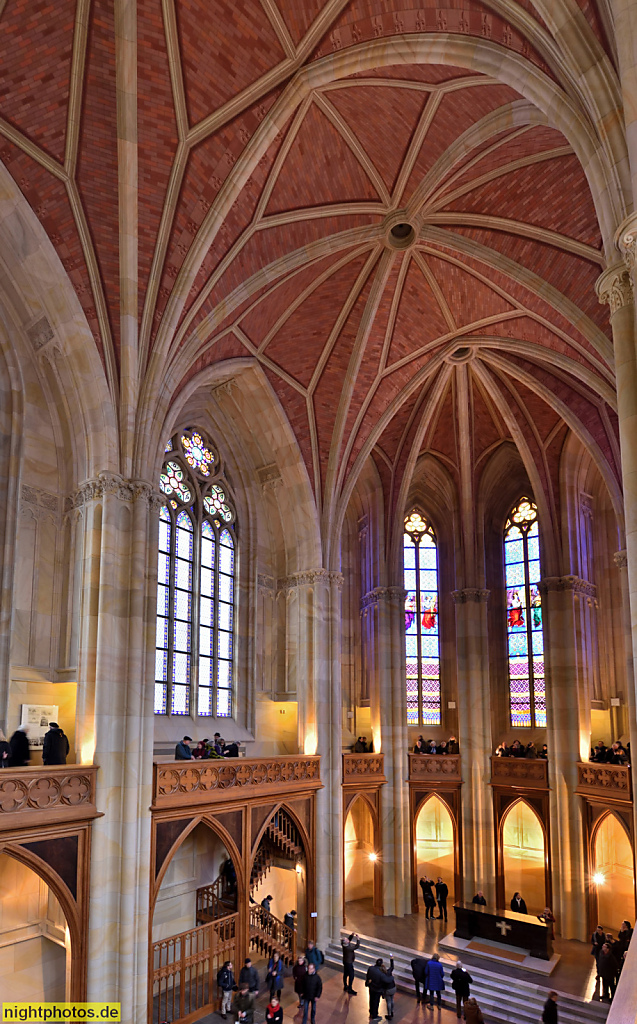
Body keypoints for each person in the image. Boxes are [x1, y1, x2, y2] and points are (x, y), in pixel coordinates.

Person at [365, 957, 393, 1022]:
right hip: (378, 990)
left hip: (371, 987)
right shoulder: (381, 974)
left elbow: (368, 976)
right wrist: (392, 977)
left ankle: (371, 1012)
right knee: (376, 1002)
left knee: (371, 1000)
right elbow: (387, 980)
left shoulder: (371, 968)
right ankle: (374, 1015)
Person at [381, 956, 395, 1020]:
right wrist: (391, 960)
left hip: (388, 990)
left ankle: (389, 1014)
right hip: (393, 987)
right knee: (392, 1000)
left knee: (388, 1001)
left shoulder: (382, 976)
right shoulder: (389, 972)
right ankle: (392, 1011)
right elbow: (392, 967)